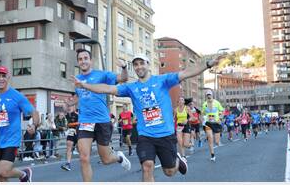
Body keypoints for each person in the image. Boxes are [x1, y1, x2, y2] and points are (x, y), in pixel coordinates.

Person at [71, 53, 224, 181]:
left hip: (165, 134)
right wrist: (85, 86)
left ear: (148, 64)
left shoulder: (163, 80)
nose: (139, 67)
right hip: (145, 135)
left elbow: (187, 72)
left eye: (141, 63)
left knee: (169, 171)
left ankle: (178, 160)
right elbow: (107, 88)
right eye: (136, 64)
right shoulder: (131, 88)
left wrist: (208, 64)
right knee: (147, 166)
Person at [67, 48, 131, 182]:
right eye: (80, 59)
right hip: (85, 121)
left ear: (91, 60)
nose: (83, 61)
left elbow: (124, 78)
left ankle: (119, 157)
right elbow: (81, 97)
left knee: (106, 159)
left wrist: (124, 67)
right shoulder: (77, 79)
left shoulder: (102, 75)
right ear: (78, 62)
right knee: (84, 158)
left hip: (102, 121)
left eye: (85, 58)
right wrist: (70, 103)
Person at [0, 66, 40, 182]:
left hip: (11, 139)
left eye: (3, 76)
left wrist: (34, 126)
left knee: (3, 171)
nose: (0, 79)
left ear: (8, 77)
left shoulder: (17, 96)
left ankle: (24, 174)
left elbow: (34, 113)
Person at [201, 89, 224, 162]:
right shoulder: (204, 104)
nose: (209, 96)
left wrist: (220, 118)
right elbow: (203, 113)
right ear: (206, 96)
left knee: (217, 142)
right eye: (207, 95)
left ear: (212, 95)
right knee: (210, 138)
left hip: (216, 123)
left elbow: (222, 111)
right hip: (208, 123)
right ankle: (212, 155)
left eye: (210, 95)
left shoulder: (217, 103)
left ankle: (217, 140)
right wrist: (203, 119)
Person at [61, 104, 79, 171]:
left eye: (71, 106)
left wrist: (71, 124)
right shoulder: (68, 115)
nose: (69, 108)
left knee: (80, 149)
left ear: (74, 107)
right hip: (71, 132)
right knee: (69, 147)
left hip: (79, 133)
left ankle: (85, 161)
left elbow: (81, 123)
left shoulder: (77, 114)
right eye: (69, 106)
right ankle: (68, 164)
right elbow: (64, 109)